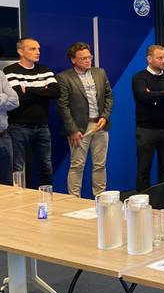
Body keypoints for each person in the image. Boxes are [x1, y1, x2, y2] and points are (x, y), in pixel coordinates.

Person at [55, 42, 113, 197]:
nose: (88, 61)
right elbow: (63, 106)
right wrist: (72, 130)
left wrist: (105, 117)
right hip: (79, 128)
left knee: (100, 165)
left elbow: (109, 96)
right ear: (73, 60)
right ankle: (74, 200)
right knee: (77, 165)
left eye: (89, 57)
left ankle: (100, 198)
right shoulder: (64, 77)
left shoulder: (100, 73)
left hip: (100, 125)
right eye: (83, 58)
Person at [3, 37, 60, 186]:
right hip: (18, 126)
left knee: (46, 165)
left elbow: (55, 92)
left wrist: (28, 89)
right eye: (32, 49)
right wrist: (42, 91)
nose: (37, 52)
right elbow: (17, 98)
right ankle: (19, 200)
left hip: (42, 126)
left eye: (39, 49)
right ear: (20, 51)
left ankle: (48, 198)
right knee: (18, 167)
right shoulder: (10, 71)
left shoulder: (45, 70)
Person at [132, 45, 164, 192]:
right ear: (149, 59)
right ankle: (143, 201)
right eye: (160, 58)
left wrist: (155, 98)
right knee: (144, 169)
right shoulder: (139, 77)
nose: (163, 61)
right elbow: (143, 96)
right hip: (146, 130)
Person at [0, 70, 20, 185]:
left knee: (7, 182)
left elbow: (15, 101)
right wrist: (3, 96)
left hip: (3, 136)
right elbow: (8, 99)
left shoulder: (0, 75)